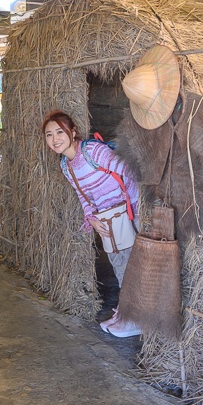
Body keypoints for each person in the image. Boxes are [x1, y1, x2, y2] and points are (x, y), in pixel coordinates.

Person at [42, 110, 142, 338]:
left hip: (124, 212)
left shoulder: (91, 151)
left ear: (73, 131)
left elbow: (127, 172)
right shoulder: (66, 166)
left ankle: (135, 319)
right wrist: (92, 218)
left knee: (128, 263)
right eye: (49, 135)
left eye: (60, 131)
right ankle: (126, 313)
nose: (55, 139)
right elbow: (82, 194)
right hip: (107, 218)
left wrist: (134, 211)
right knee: (118, 264)